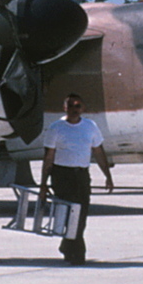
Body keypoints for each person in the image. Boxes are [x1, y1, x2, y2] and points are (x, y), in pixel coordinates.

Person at [38, 93, 113, 264]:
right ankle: (78, 254)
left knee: (81, 214)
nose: (74, 110)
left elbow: (98, 152)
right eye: (71, 106)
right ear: (65, 108)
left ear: (83, 108)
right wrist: (43, 184)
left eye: (78, 106)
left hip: (81, 175)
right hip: (62, 175)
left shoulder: (90, 126)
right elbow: (48, 157)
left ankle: (67, 246)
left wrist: (108, 176)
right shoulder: (56, 128)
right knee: (67, 215)